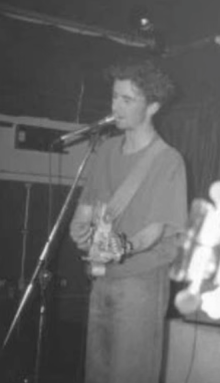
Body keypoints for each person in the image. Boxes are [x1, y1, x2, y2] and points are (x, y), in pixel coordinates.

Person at [69, 59, 187, 383]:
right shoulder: (106, 149)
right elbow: (87, 207)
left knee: (131, 374)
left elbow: (156, 230)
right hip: (102, 277)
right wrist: (79, 229)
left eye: (127, 100)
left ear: (152, 107)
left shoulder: (168, 160)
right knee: (96, 372)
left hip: (142, 282)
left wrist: (123, 246)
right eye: (114, 96)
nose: (115, 107)